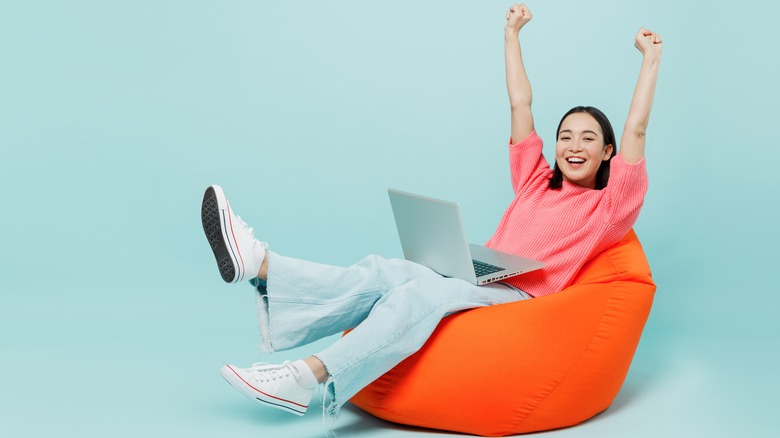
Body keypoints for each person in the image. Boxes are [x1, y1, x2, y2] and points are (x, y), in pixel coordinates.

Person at [201, 2, 661, 424]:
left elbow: (636, 127)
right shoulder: (535, 181)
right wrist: (511, 36)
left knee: (419, 296)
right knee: (385, 271)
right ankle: (260, 266)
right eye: (566, 136)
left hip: (521, 299)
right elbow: (520, 103)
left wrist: (649, 59)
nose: (573, 146)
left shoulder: (608, 208)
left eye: (587, 139)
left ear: (607, 153)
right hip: (480, 276)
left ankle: (307, 377)